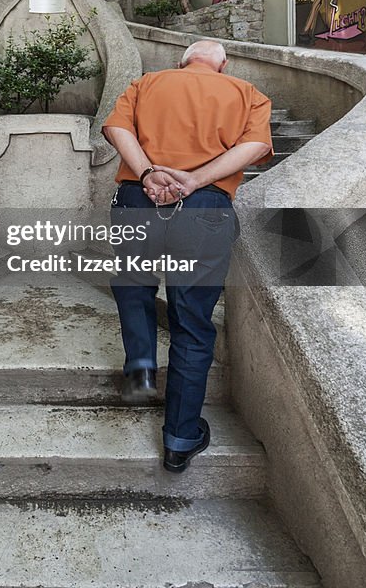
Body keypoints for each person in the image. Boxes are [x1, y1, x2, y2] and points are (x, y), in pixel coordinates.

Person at [102, 39, 273, 473]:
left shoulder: (146, 83)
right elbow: (252, 149)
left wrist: (147, 173)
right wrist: (193, 181)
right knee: (192, 320)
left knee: (133, 286)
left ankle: (140, 366)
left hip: (137, 199)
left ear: (181, 62)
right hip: (204, 209)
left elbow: (115, 130)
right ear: (223, 65)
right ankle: (179, 439)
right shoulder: (247, 94)